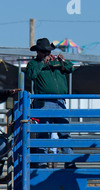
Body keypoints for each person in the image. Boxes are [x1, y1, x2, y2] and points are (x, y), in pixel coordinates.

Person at [25, 38, 76, 169]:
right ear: (38, 52)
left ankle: (69, 161)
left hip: (60, 101)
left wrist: (63, 61)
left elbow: (71, 68)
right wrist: (42, 63)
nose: (47, 53)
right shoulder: (34, 63)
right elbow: (30, 75)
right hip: (44, 102)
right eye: (44, 51)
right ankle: (41, 162)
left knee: (65, 131)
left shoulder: (57, 62)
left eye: (48, 51)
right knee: (43, 132)